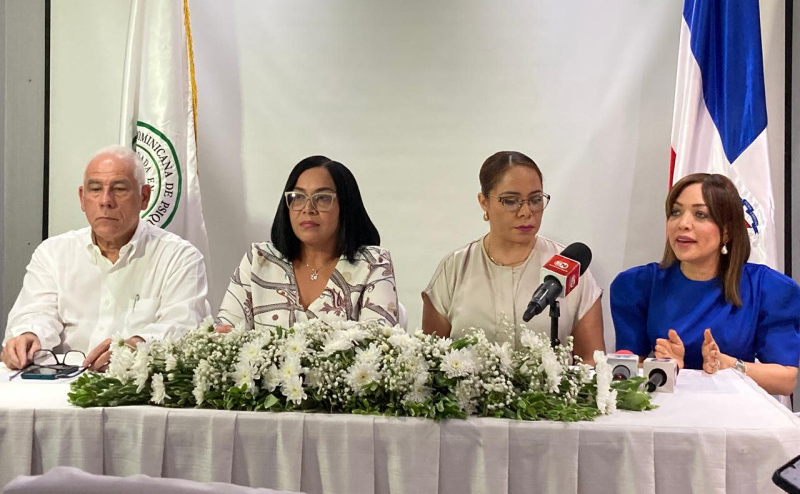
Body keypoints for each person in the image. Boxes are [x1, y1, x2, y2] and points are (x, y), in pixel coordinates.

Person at [2, 146, 210, 372]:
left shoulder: (179, 257)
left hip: (135, 390)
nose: (105, 200)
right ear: (82, 198)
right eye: (95, 190)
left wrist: (136, 346)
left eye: (119, 189)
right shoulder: (53, 253)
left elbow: (183, 326)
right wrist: (29, 336)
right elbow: (36, 312)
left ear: (144, 197)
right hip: (57, 386)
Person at [611, 173, 800, 396]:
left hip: (736, 417)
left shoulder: (768, 288)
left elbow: (785, 380)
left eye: (700, 215)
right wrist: (667, 367)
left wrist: (728, 364)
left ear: (727, 231)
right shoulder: (636, 285)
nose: (683, 224)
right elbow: (624, 374)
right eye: (676, 212)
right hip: (663, 415)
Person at [421, 151, 604, 360]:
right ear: (484, 202)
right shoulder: (455, 268)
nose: (526, 211)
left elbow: (592, 362)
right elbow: (430, 361)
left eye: (535, 200)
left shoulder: (569, 266)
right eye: (511, 201)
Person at [216, 155, 399, 329]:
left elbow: (379, 344)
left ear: (345, 207)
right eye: (298, 197)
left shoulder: (372, 263)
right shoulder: (259, 260)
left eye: (322, 198)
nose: (308, 208)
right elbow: (224, 336)